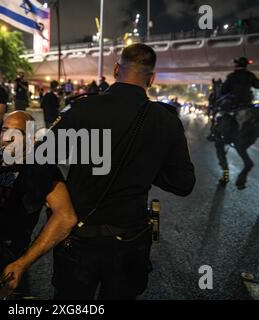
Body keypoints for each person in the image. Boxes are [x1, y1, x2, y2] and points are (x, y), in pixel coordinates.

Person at [50, 44, 196, 300]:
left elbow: (42, 159)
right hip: (129, 240)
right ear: (151, 78)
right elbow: (183, 184)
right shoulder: (166, 120)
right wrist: (147, 166)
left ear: (116, 69)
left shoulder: (82, 108)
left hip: (79, 238)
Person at [0, 111, 78, 298]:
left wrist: (22, 263)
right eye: (5, 130)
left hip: (4, 259)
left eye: (16, 133)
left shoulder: (38, 169)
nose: (7, 138)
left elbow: (66, 217)